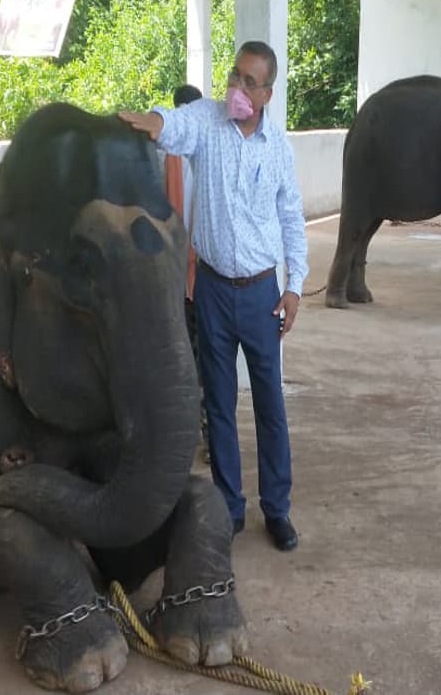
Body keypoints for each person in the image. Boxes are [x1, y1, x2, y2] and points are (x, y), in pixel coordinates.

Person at [119, 41, 308, 552]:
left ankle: (278, 510)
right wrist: (153, 121)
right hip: (213, 291)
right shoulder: (208, 120)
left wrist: (294, 286)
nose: (237, 90)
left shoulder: (277, 148)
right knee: (219, 404)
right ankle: (229, 508)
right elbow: (175, 124)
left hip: (262, 294)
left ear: (267, 93)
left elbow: (291, 217)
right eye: (234, 77)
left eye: (250, 83)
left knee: (269, 404)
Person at [164, 84, 206, 458]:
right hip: (191, 279)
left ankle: (195, 434)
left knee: (190, 358)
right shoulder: (175, 156)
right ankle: (199, 435)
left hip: (189, 278)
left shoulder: (171, 155)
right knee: (197, 358)